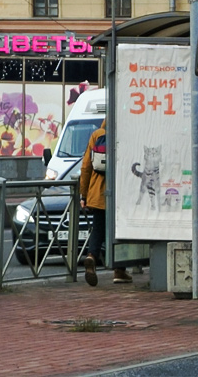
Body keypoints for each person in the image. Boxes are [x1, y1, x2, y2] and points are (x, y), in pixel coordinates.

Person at [78, 119, 131, 285]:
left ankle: (91, 256)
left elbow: (86, 166)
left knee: (98, 228)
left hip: (98, 191)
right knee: (121, 229)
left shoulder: (97, 135)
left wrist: (83, 194)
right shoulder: (125, 135)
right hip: (121, 191)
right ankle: (119, 270)